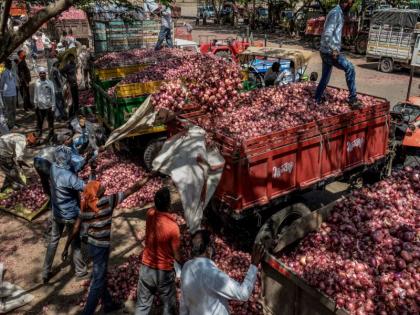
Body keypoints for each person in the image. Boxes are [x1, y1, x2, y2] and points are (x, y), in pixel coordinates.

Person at [62, 175, 151, 315]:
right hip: (101, 247)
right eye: (99, 186)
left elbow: (76, 227)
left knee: (100, 275)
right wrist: (147, 178)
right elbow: (132, 190)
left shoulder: (85, 204)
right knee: (97, 282)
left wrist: (66, 246)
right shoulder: (107, 202)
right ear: (96, 192)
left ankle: (108, 304)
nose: (103, 185)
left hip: (92, 244)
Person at [180, 230, 265, 315]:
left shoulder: (186, 267)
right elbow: (243, 293)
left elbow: (183, 303)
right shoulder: (212, 273)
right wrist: (254, 264)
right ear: (208, 249)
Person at [42, 145, 87, 284]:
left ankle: (46, 271)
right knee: (75, 242)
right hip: (70, 215)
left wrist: (86, 159)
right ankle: (80, 271)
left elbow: (76, 165)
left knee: (53, 240)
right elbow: (84, 187)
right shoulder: (69, 177)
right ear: (67, 159)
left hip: (56, 213)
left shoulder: (53, 169)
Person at [135, 187, 182, 315]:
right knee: (168, 307)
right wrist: (182, 266)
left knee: (142, 305)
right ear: (169, 204)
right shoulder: (173, 227)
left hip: (146, 268)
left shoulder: (150, 214)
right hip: (163, 273)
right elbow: (177, 255)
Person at [314, 0, 362, 109]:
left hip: (325, 51)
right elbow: (327, 34)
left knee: (325, 77)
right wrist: (333, 49)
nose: (350, 6)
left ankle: (316, 98)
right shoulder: (336, 13)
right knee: (350, 68)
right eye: (350, 3)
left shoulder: (338, 12)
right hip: (330, 52)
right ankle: (353, 98)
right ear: (344, 2)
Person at [34, 67, 55, 141]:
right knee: (39, 123)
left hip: (48, 106)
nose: (42, 74)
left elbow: (53, 95)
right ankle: (38, 138)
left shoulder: (50, 83)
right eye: (41, 73)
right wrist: (35, 105)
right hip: (40, 107)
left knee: (50, 122)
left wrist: (53, 107)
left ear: (45, 74)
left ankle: (51, 136)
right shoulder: (37, 83)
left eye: (43, 73)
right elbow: (35, 94)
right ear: (39, 74)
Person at [0, 59, 18, 129]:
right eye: (9, 64)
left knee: (14, 109)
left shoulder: (12, 72)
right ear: (6, 65)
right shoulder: (4, 73)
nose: (10, 65)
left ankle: (13, 123)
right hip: (7, 94)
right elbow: (1, 84)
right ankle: (10, 124)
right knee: (9, 110)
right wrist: (2, 93)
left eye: (11, 64)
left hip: (13, 93)